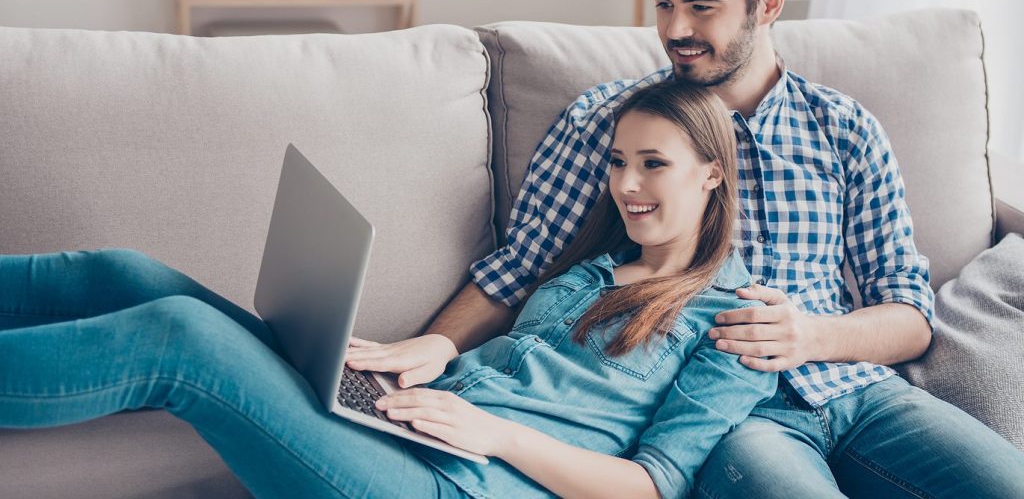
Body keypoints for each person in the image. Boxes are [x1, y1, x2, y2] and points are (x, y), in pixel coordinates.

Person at [362, 0, 1024, 497]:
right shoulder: (609, 122)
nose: (674, 30)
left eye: (701, 7)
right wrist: (440, 342)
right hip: (732, 417)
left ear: (768, 3)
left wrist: (812, 337)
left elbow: (909, 314)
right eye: (663, 2)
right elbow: (520, 268)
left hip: (858, 388)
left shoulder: (844, 130)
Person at [0, 81, 776, 498]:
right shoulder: (594, 266)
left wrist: (498, 434)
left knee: (180, 336)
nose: (626, 184)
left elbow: (651, 488)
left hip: (456, 482)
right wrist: (425, 359)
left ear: (713, 173)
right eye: (616, 161)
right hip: (406, 428)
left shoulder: (734, 323)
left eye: (653, 164)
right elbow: (508, 356)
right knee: (126, 271)